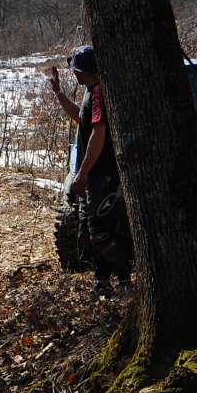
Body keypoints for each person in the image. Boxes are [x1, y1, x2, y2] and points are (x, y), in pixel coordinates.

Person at [49, 45, 132, 296]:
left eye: (74, 68)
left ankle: (125, 279)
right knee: (86, 232)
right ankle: (102, 281)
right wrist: (59, 93)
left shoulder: (99, 93)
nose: (73, 73)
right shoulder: (90, 92)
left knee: (98, 231)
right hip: (92, 176)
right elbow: (81, 118)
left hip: (102, 175)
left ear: (81, 70)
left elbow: (99, 133)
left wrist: (83, 172)